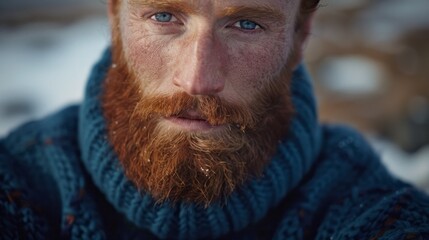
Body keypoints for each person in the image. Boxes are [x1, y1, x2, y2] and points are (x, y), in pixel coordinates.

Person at [1, 0, 428, 239]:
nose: (197, 79)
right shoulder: (19, 180)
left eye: (246, 24)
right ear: (116, 17)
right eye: (164, 16)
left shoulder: (366, 207)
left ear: (300, 35)